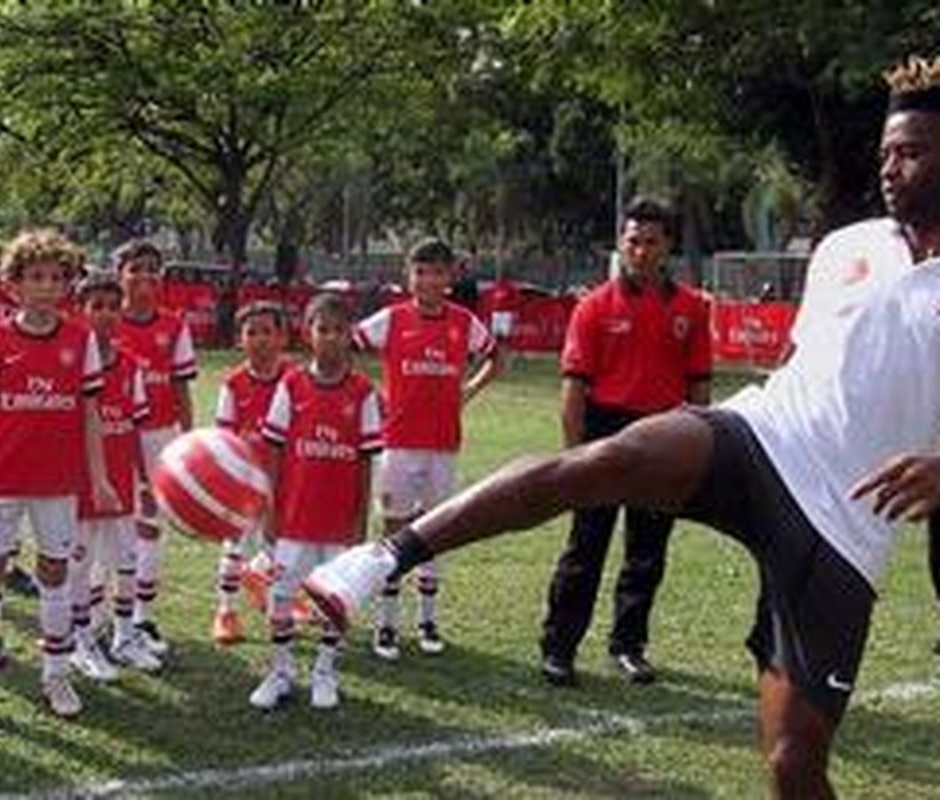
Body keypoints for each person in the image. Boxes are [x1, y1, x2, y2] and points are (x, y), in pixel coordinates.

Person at [304, 56, 940, 798]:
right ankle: (381, 559)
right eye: (887, 152)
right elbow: (815, 364)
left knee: (792, 765)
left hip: (844, 530)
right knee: (600, 463)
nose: (890, 168)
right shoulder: (847, 248)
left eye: (912, 152)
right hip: (764, 438)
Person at [0, 229, 119, 731]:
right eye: (35, 277)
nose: (45, 287)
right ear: (14, 284)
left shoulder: (80, 341)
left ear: (68, 285)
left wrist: (98, 479)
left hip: (58, 485)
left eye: (56, 278)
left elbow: (89, 414)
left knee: (55, 577)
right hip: (3, 483)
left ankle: (56, 674)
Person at [540, 198, 711, 687]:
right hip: (605, 431)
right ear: (621, 243)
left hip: (664, 435)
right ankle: (558, 647)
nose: (639, 250)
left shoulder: (693, 309)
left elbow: (699, 385)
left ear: (668, 247)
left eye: (650, 241)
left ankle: (628, 646)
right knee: (585, 547)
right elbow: (573, 387)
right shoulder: (593, 307)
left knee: (647, 551)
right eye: (632, 240)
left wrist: (698, 440)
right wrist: (576, 455)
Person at [354, 238, 500, 659]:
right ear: (408, 276)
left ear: (451, 277)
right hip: (399, 443)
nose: (428, 280)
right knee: (394, 532)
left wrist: (468, 390)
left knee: (436, 531)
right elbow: (350, 345)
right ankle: (385, 624)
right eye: (420, 271)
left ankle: (428, 619)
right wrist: (372, 394)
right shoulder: (393, 319)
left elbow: (495, 356)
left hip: (443, 444)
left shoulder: (463, 321)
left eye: (437, 271)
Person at [249, 293, 382, 710]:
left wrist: (360, 521)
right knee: (282, 595)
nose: (330, 339)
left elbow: (365, 462)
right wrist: (270, 510)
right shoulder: (291, 384)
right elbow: (271, 450)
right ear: (308, 334)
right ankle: (281, 670)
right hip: (293, 516)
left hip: (338, 521)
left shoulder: (362, 392)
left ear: (350, 337)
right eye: (322, 329)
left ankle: (325, 670)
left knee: (333, 599)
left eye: (339, 331)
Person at [68, 269, 162, 678]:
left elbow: (138, 430)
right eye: (97, 307)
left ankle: (124, 636)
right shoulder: (68, 364)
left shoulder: (130, 368)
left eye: (113, 306)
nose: (106, 315)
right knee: (81, 567)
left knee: (127, 563)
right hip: (80, 487)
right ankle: (81, 639)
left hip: (122, 487)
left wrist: (146, 482)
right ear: (81, 311)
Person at [113, 240, 197, 658]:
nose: (145, 277)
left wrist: (189, 439)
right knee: (106, 523)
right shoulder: (103, 322)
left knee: (149, 525)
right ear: (119, 275)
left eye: (152, 269)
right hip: (113, 434)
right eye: (135, 269)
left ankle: (141, 615)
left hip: (159, 437)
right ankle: (94, 616)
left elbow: (181, 385)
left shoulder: (174, 326)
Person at [211, 301, 290, 645]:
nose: (259, 339)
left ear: (282, 337)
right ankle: (226, 612)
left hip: (286, 481)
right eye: (251, 332)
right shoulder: (233, 384)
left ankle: (262, 583)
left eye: (267, 331)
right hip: (244, 483)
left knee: (281, 550)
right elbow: (223, 440)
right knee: (233, 550)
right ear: (240, 339)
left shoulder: (295, 379)